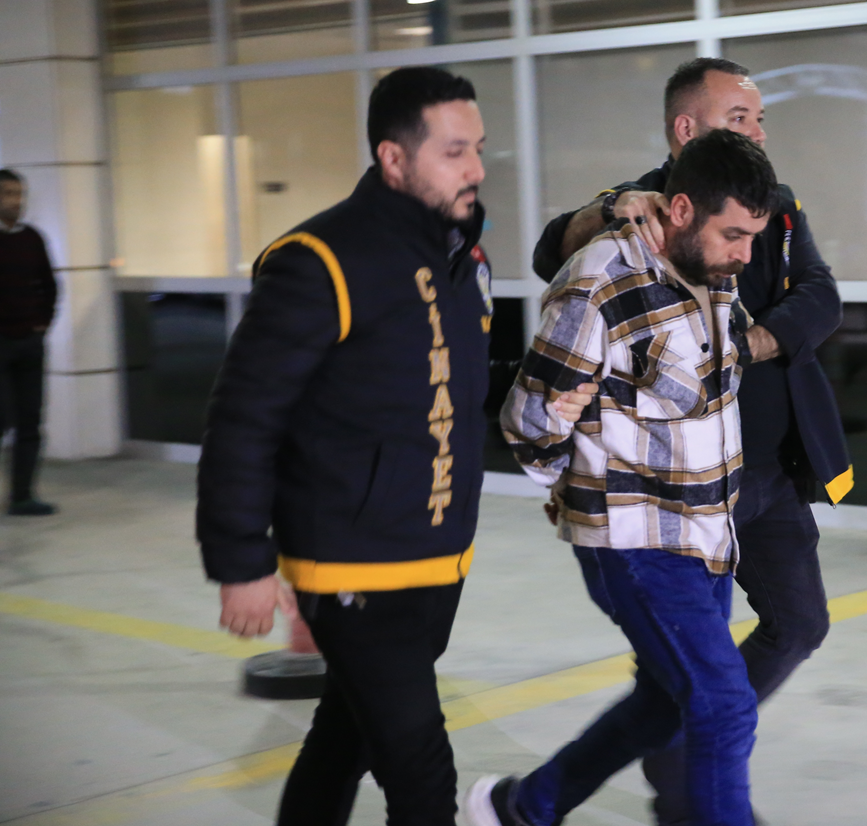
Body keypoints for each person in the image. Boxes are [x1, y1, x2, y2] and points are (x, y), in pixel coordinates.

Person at [198, 67, 588, 826]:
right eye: (454, 151)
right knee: (420, 775)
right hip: (353, 562)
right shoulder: (319, 259)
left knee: (343, 738)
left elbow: (445, 380)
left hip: (437, 551)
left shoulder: (461, 258)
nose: (476, 168)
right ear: (394, 158)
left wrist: (535, 391)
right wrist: (241, 560)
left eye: (478, 148)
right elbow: (244, 416)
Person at [530, 58, 851, 823]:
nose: (759, 132)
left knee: (793, 626)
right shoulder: (642, 216)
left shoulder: (774, 204)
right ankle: (678, 783)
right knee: (699, 694)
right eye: (741, 118)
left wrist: (752, 343)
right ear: (685, 127)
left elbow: (821, 294)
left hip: (760, 471)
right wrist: (608, 208)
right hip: (667, 494)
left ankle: (540, 801)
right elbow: (551, 256)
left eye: (760, 119)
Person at [469, 129, 780, 826]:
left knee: (665, 701)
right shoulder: (599, 282)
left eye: (752, 237)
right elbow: (528, 420)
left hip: (707, 535)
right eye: (733, 234)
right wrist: (568, 473)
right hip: (637, 542)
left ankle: (524, 808)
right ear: (681, 210)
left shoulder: (715, 276)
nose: (743, 253)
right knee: (723, 706)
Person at [0, 168, 58, 517]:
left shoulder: (32, 238)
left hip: (29, 342)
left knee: (29, 421)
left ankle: (22, 496)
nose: (16, 201)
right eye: (8, 194)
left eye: (19, 194)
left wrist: (42, 323)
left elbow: (49, 285)